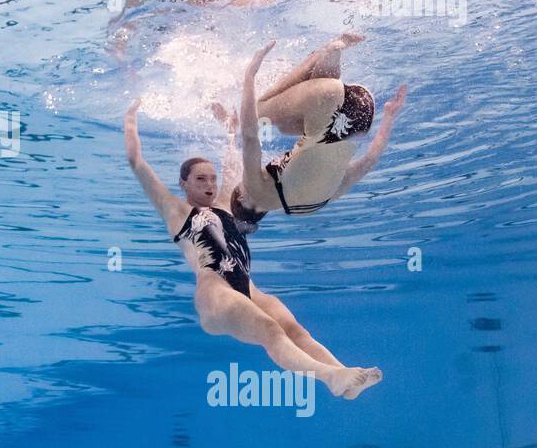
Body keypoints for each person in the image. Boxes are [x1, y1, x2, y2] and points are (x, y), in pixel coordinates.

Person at [124, 97, 382, 399]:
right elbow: (136, 162)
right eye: (200, 179)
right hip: (214, 293)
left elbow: (233, 163)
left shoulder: (224, 205)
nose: (209, 184)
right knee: (269, 330)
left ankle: (346, 376)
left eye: (212, 178)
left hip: (248, 288)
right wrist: (131, 118)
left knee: (295, 331)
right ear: (183, 184)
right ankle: (331, 378)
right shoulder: (176, 211)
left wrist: (230, 132)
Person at [220, 34, 407, 232]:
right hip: (326, 98)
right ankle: (326, 53)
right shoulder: (255, 194)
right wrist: (250, 75)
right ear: (241, 197)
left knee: (287, 126)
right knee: (260, 112)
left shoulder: (321, 200)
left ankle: (331, 55)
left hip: (363, 110)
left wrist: (389, 115)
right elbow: (250, 137)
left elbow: (370, 160)